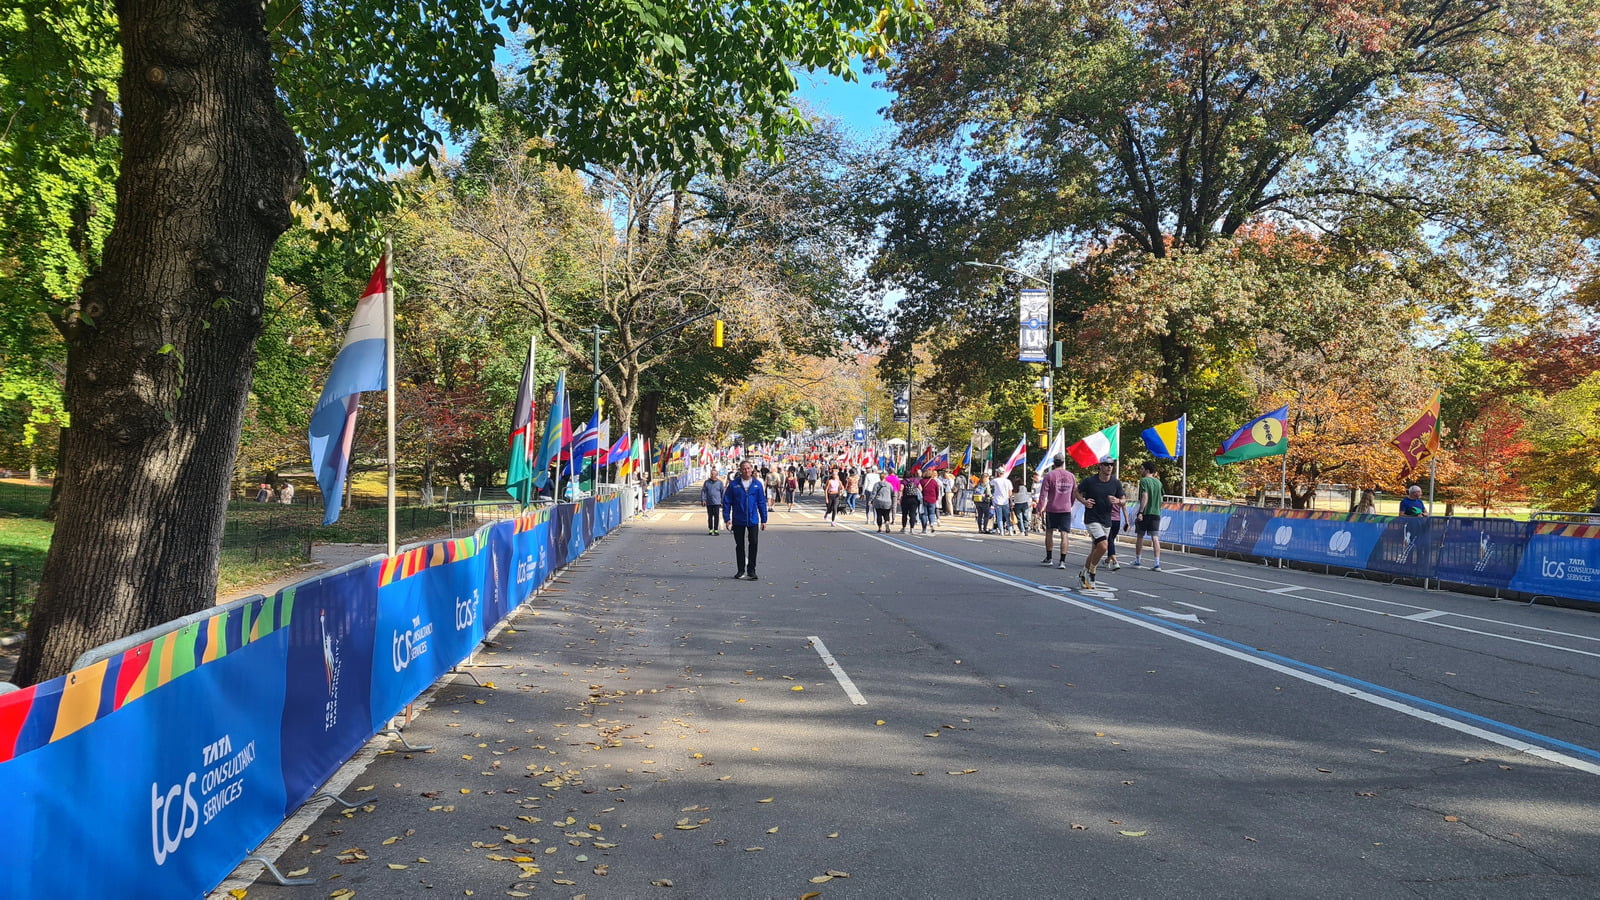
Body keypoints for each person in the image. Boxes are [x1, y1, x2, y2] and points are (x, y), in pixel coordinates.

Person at [1075, 456, 1124, 588]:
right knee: (1103, 546)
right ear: (1100, 466)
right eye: (1106, 464)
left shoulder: (1115, 483)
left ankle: (1083, 573)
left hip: (1106, 520)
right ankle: (1092, 572)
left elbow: (1124, 500)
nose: (1109, 467)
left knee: (1096, 550)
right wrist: (1084, 501)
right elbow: (1076, 492)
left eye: (1111, 465)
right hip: (1092, 518)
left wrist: (1118, 501)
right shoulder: (1090, 481)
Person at [723, 460, 768, 580]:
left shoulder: (757, 484)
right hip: (738, 519)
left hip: (753, 519)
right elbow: (727, 502)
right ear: (740, 470)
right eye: (744, 469)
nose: (746, 471)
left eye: (748, 468)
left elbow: (761, 502)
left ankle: (751, 570)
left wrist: (764, 519)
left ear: (752, 469)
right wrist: (727, 519)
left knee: (753, 543)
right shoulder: (734, 485)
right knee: (740, 545)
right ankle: (740, 569)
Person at [1038, 455, 1077, 569]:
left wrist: (1039, 508)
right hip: (1065, 508)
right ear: (1063, 463)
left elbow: (1043, 494)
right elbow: (1074, 493)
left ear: (1054, 463)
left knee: (1049, 532)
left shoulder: (1049, 475)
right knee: (1064, 534)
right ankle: (1062, 561)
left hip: (1052, 507)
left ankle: (1049, 558)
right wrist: (1070, 504)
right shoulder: (1071, 476)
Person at [1132, 461, 1163, 570]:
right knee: (1155, 538)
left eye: (1142, 469)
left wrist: (1141, 511)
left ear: (1147, 470)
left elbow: (1145, 496)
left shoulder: (1144, 481)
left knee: (1140, 536)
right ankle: (1157, 563)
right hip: (1156, 513)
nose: (1140, 471)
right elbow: (1161, 498)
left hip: (1145, 513)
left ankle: (1138, 560)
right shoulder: (1159, 483)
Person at [700, 469, 725, 535]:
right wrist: (703, 500)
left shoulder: (719, 483)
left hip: (717, 502)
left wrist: (722, 502)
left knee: (716, 516)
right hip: (709, 502)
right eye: (711, 474)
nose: (712, 475)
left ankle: (716, 529)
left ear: (716, 475)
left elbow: (723, 492)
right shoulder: (707, 482)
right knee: (710, 516)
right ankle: (710, 529)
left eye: (713, 474)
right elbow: (703, 491)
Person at [899, 468, 922, 533]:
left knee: (904, 514)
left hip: (905, 499)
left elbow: (901, 489)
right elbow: (920, 489)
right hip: (914, 499)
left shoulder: (903, 481)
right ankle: (912, 528)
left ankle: (904, 528)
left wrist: (899, 498)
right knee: (912, 514)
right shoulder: (916, 480)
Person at [919, 468, 941, 534]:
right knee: (931, 513)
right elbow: (937, 491)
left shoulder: (922, 481)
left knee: (924, 514)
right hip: (932, 499)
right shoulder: (934, 482)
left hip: (924, 499)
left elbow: (919, 490)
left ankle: (924, 528)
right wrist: (936, 498)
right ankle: (931, 524)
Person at [991, 471, 1013, 536]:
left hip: (997, 501)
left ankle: (1001, 531)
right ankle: (1010, 530)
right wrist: (1011, 500)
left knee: (999, 517)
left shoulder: (996, 480)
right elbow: (1010, 492)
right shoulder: (1008, 481)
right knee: (1007, 516)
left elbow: (990, 483)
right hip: (1005, 501)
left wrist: (995, 475)